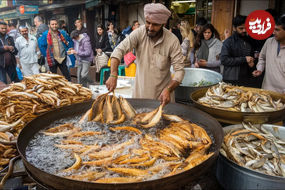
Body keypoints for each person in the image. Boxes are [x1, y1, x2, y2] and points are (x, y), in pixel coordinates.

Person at [106, 3, 185, 106]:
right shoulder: (139, 33)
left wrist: (168, 89)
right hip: (140, 96)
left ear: (163, 24)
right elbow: (118, 51)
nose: (150, 27)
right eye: (148, 22)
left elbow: (179, 71)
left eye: (155, 24)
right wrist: (113, 74)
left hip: (163, 99)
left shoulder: (172, 41)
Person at [252, 15, 285, 94]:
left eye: (277, 30)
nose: (273, 32)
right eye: (273, 29)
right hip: (266, 90)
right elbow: (262, 58)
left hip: (282, 93)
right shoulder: (269, 42)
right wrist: (260, 69)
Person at [220, 15, 254, 86]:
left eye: (246, 28)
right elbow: (224, 60)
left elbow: (250, 58)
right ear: (234, 28)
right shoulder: (229, 42)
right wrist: (244, 59)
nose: (244, 30)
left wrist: (252, 62)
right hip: (232, 79)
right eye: (241, 28)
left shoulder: (250, 40)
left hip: (246, 78)